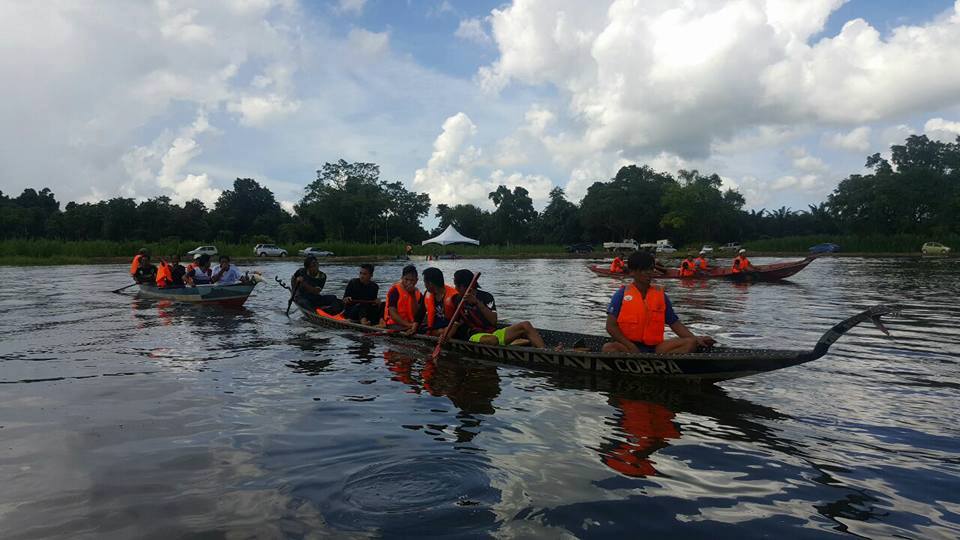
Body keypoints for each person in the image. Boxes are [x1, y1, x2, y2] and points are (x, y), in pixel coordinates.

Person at [602, 251, 715, 354]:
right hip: (628, 346)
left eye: (650, 269)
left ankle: (661, 363)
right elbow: (610, 326)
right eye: (643, 270)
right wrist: (630, 346)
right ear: (632, 272)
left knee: (690, 343)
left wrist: (696, 339)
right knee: (608, 348)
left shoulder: (660, 295)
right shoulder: (621, 295)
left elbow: (675, 323)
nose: (648, 273)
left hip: (655, 348)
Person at [451, 269, 546, 348]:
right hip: (474, 335)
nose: (456, 288)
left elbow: (493, 321)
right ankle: (517, 342)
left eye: (456, 285)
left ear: (462, 286)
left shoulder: (487, 297)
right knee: (492, 340)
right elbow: (455, 323)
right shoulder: (457, 300)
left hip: (494, 332)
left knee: (526, 325)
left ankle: (543, 352)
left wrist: (477, 303)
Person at [383, 265, 422, 334]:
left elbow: (418, 314)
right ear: (402, 278)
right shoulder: (395, 291)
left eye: (412, 280)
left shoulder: (418, 293)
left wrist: (412, 295)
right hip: (394, 324)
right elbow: (393, 314)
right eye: (406, 279)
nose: (409, 282)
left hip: (411, 323)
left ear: (416, 280)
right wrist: (409, 325)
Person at [421, 267, 458, 336]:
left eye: (425, 282)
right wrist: (414, 325)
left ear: (430, 284)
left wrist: (446, 331)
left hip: (449, 326)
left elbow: (460, 319)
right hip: (434, 327)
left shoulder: (454, 296)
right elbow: (421, 312)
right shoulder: (427, 293)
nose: (425, 285)